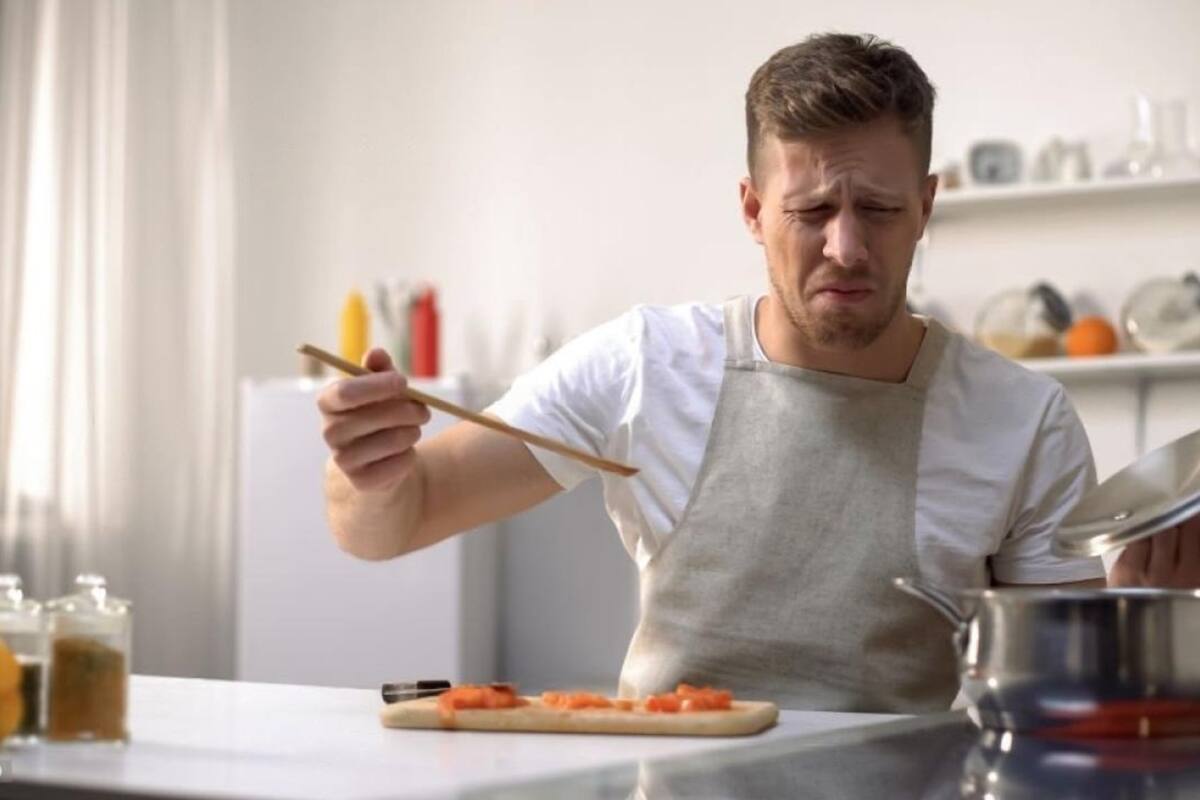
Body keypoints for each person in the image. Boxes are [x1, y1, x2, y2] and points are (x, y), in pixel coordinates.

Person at [317, 33, 1200, 712]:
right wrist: (370, 473)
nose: (846, 248)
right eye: (811, 210)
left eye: (881, 210)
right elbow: (392, 525)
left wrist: (1142, 622)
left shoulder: (1022, 419)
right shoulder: (647, 365)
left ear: (927, 206)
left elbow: (1057, 708)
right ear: (752, 210)